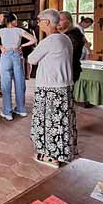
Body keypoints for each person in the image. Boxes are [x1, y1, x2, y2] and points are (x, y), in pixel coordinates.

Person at [28, 9, 77, 168]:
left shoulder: (49, 41)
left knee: (49, 122)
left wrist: (36, 46)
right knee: (61, 122)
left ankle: (51, 157)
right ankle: (62, 152)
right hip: (64, 87)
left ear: (47, 22)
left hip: (50, 88)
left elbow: (32, 59)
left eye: (39, 20)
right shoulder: (65, 39)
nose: (38, 23)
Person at [0, 13, 37, 121]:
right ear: (14, 21)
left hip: (6, 55)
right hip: (17, 55)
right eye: (16, 20)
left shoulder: (1, 31)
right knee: (20, 82)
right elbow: (34, 40)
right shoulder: (19, 30)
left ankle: (7, 112)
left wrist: (1, 47)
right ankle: (21, 109)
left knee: (6, 84)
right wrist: (22, 46)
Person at [58, 11, 85, 83]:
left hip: (71, 69)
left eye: (61, 20)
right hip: (62, 69)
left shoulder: (74, 33)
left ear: (69, 21)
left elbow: (67, 52)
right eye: (57, 20)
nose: (58, 22)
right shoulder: (60, 33)